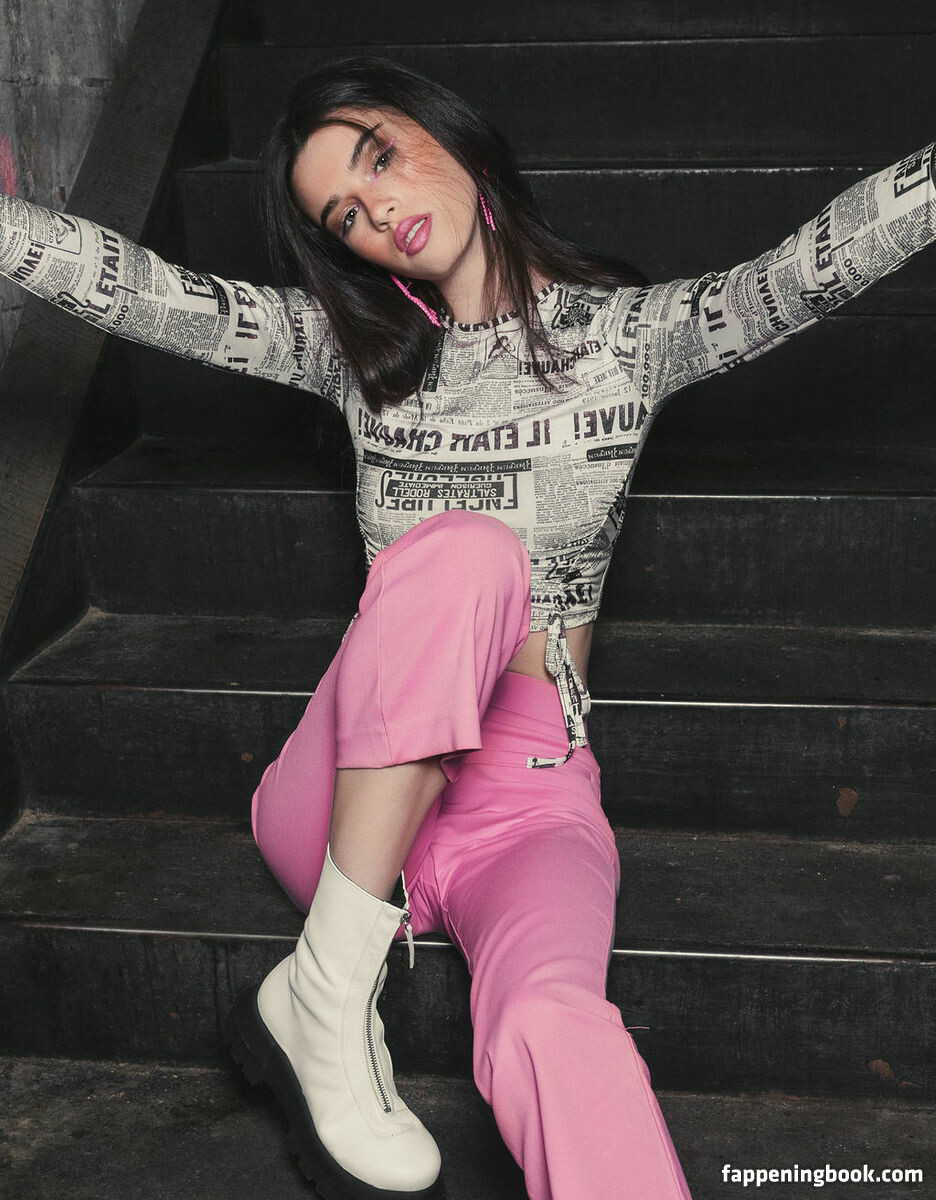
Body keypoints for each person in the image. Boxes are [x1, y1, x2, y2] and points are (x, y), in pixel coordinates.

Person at [1, 52, 934, 1200]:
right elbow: (144, 292)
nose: (376, 209)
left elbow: (812, 264)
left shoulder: (633, 339)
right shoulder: (352, 354)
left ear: (450, 135)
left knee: (553, 1019)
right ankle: (326, 995)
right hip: (346, 793)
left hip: (524, 796)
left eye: (380, 158)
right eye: (344, 214)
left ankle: (323, 991)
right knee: (470, 551)